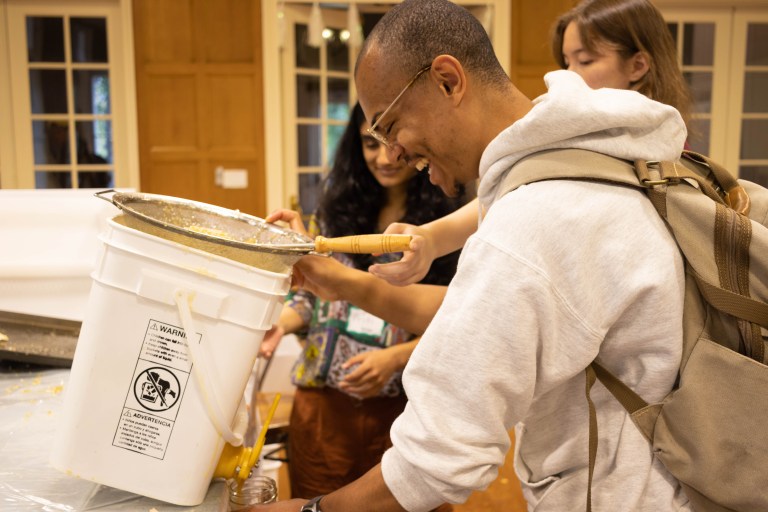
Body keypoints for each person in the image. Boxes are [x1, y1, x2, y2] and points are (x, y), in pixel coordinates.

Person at [251, 0, 691, 510]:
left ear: (447, 80)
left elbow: (435, 459)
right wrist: (346, 281)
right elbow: (480, 314)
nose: (391, 155)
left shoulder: (537, 220)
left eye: (390, 126)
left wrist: (310, 509)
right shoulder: (602, 162)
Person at [368, 0, 693, 288]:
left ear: (638, 66)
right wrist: (432, 237)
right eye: (566, 62)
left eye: (586, 61)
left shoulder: (646, 156)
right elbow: (510, 189)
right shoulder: (569, 143)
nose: (569, 76)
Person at [259, 102, 463, 508]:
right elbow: (310, 296)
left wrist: (396, 358)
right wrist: (279, 323)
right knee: (319, 501)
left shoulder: (446, 228)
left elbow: (461, 317)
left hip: (404, 406)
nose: (384, 158)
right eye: (370, 144)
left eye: (393, 143)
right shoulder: (334, 211)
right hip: (324, 407)